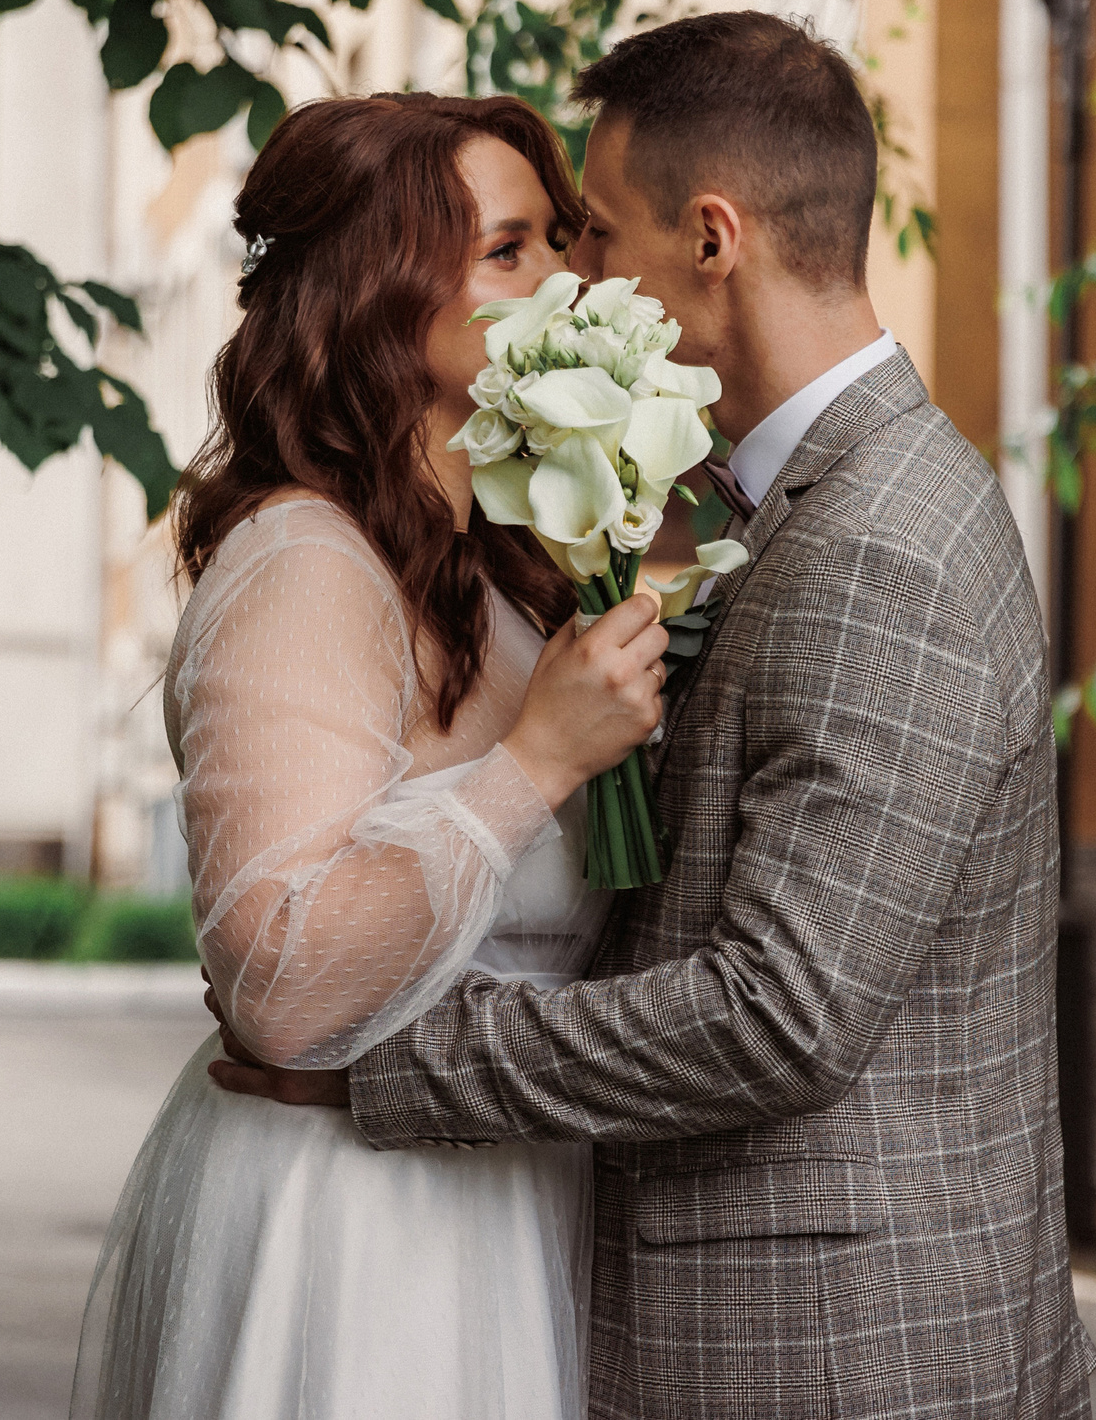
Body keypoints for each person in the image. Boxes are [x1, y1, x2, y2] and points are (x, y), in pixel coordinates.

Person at [211, 13, 1096, 1420]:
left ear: (712, 238)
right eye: (539, 247)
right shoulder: (798, 514)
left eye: (599, 237)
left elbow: (783, 1015)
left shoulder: (879, 538)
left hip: (835, 1359)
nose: (579, 282)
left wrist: (390, 1065)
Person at [70, 93, 673, 1420]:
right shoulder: (303, 564)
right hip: (353, 1228)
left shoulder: (498, 565)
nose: (567, 281)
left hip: (497, 1200)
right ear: (382, 292)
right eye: (511, 249)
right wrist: (536, 766)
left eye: (560, 242)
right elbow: (278, 982)